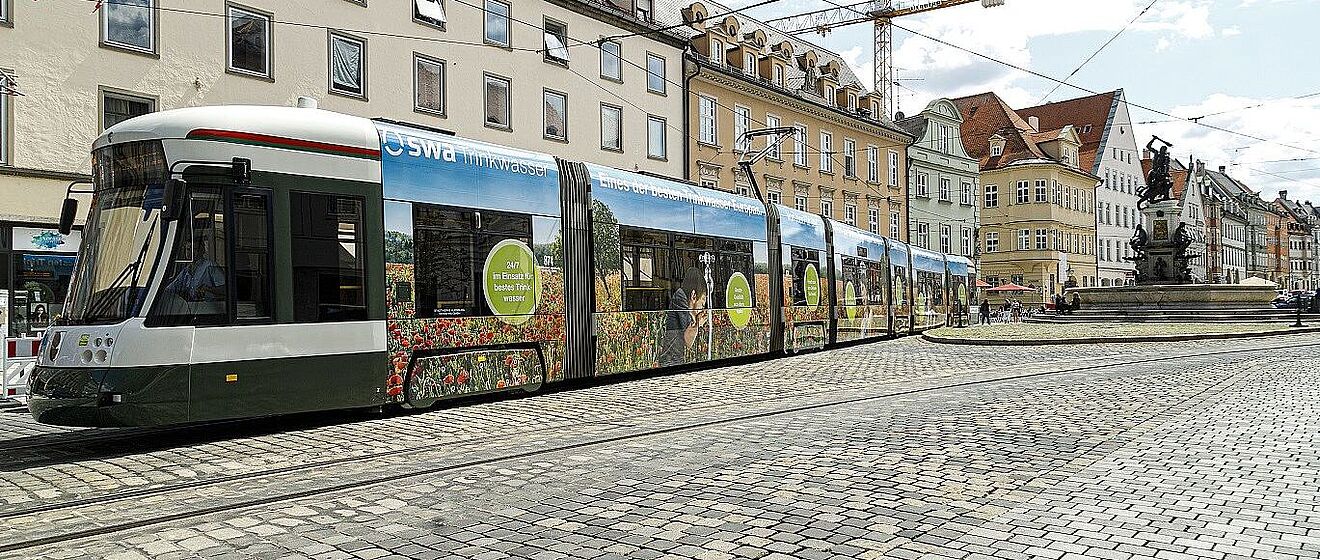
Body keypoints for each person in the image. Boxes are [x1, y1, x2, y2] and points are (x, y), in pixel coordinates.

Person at [657, 268, 709, 367]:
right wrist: (698, 323)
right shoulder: (680, 298)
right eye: (702, 305)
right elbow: (688, 341)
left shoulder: (681, 299)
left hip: (674, 358)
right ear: (693, 296)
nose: (702, 309)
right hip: (671, 360)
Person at [164, 237, 226, 302]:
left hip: (209, 305)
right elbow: (170, 289)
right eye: (188, 249)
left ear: (203, 250)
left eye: (195, 249)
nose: (191, 252)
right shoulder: (186, 271)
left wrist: (208, 289)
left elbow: (225, 289)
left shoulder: (210, 266)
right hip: (192, 306)